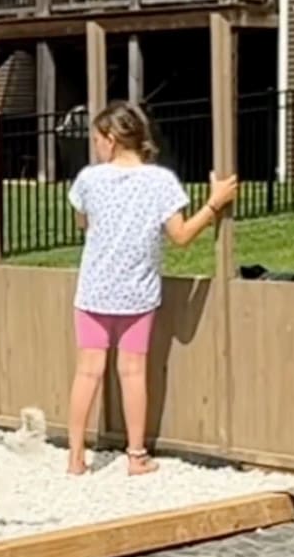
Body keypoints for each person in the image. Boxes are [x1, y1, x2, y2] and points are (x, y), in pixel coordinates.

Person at [66, 100, 237, 478]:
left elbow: (83, 221)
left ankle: (76, 457)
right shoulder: (161, 182)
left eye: (96, 139)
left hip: (93, 291)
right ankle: (136, 456)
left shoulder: (88, 180)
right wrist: (214, 204)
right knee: (133, 372)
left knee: (87, 372)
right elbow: (180, 237)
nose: (95, 146)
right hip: (137, 293)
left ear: (110, 139)